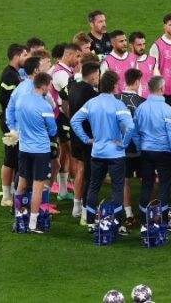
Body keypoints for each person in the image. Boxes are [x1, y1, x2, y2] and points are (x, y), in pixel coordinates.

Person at [71, 71, 135, 234]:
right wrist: (124, 143)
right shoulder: (118, 105)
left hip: (97, 153)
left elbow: (74, 121)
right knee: (117, 189)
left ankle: (91, 223)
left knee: (93, 187)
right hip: (115, 154)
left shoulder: (92, 103)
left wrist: (87, 139)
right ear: (114, 86)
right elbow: (131, 126)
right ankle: (118, 224)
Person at [13, 72, 57, 233]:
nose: (50, 89)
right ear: (44, 85)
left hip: (24, 148)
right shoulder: (44, 105)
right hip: (40, 150)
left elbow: (17, 118)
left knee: (22, 183)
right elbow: (53, 130)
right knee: (38, 186)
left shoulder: (21, 100)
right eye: (49, 86)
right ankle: (32, 224)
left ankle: (19, 220)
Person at [134, 76, 171, 230]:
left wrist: (141, 147)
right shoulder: (167, 109)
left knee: (147, 185)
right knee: (164, 187)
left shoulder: (141, 108)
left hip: (146, 152)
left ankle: (143, 222)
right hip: (164, 152)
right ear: (161, 89)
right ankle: (162, 221)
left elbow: (134, 132)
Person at [67, 62, 100, 223]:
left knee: (80, 169)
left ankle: (76, 207)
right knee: (90, 176)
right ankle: (87, 214)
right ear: (94, 75)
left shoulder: (74, 87)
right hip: (87, 138)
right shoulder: (92, 94)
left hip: (75, 136)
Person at [0, 44, 29, 206]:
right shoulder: (9, 75)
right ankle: (5, 197)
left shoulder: (14, 74)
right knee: (10, 159)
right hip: (10, 124)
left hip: (13, 121)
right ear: (16, 56)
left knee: (16, 159)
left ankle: (12, 192)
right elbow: (4, 99)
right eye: (24, 54)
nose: (27, 57)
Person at [49, 43, 81, 201]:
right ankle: (78, 194)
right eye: (77, 56)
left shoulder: (65, 71)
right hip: (64, 116)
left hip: (62, 117)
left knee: (66, 154)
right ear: (68, 56)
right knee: (74, 155)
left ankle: (62, 190)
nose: (79, 60)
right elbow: (71, 95)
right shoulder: (61, 74)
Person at [115, 68, 146, 227]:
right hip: (138, 149)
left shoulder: (115, 99)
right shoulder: (142, 102)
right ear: (136, 82)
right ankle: (146, 212)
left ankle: (128, 214)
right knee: (146, 180)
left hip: (120, 149)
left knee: (125, 181)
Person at [129, 31, 157, 98]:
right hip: (131, 101)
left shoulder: (152, 60)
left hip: (148, 100)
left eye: (144, 44)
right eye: (139, 45)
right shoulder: (125, 62)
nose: (142, 47)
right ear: (131, 46)